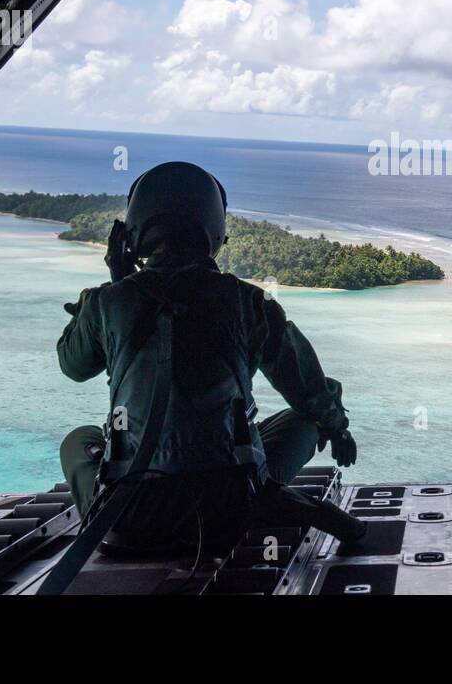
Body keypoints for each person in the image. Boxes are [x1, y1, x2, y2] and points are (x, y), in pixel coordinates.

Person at [56, 161, 359, 555]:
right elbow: (309, 391)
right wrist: (337, 427)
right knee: (304, 422)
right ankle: (268, 498)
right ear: (214, 236)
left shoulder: (107, 302)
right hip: (229, 509)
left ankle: (110, 517)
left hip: (130, 518)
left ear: (131, 236)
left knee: (78, 441)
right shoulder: (251, 302)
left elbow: (73, 366)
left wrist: (113, 287)